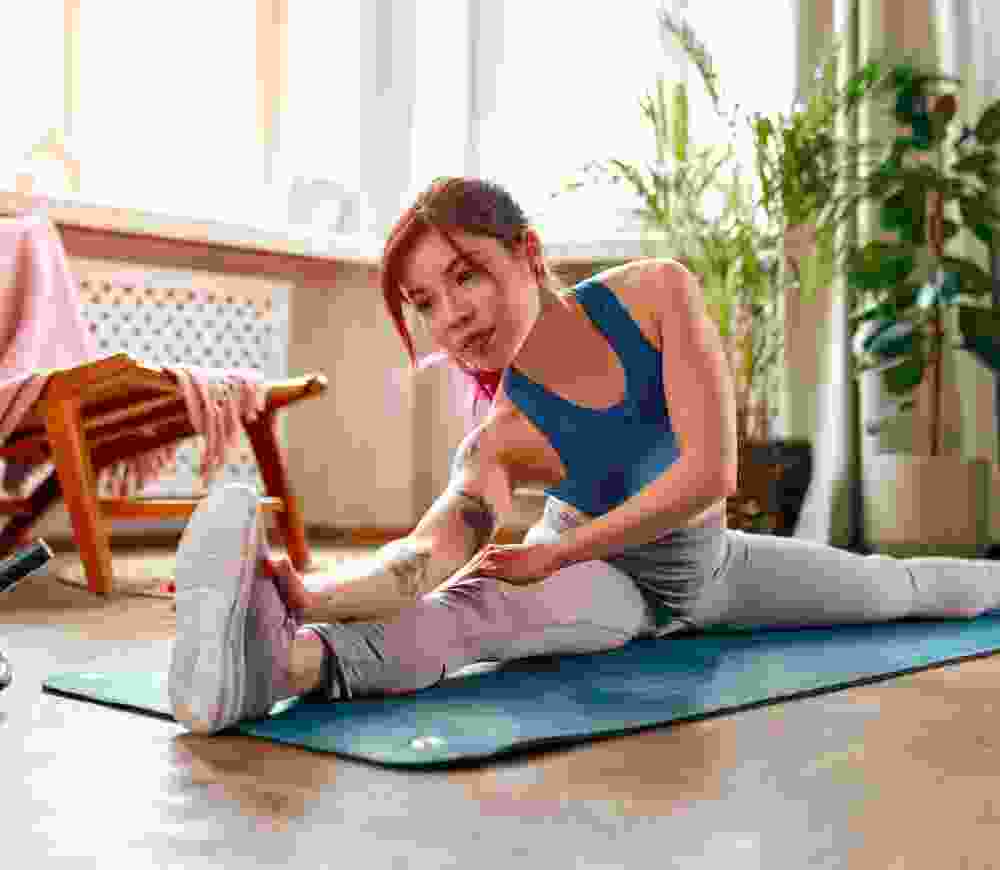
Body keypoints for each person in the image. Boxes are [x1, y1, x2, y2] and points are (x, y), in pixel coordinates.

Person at [168, 176, 1000, 735]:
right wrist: (314, 593)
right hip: (610, 587)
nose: (451, 317)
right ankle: (275, 665)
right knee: (473, 612)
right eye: (425, 302)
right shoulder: (499, 440)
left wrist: (560, 550)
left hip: (713, 569)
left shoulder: (657, 295)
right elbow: (428, 556)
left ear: (528, 253)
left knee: (893, 588)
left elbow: (710, 474)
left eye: (467, 276)